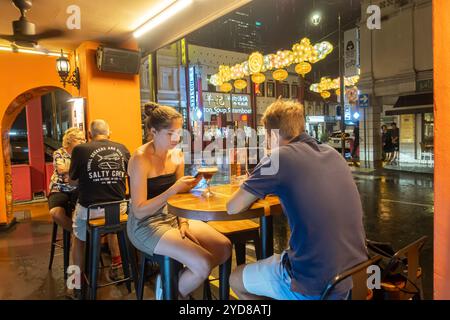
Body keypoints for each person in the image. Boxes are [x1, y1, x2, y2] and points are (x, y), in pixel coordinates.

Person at [226, 99, 368, 300]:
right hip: (356, 275)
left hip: (315, 283)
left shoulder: (278, 158)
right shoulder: (332, 154)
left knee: (236, 279)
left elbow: (233, 207)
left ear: (271, 134)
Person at [127, 103, 231, 300]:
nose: (176, 138)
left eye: (178, 133)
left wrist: (184, 216)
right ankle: (169, 294)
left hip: (173, 216)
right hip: (145, 224)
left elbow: (180, 197)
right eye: (170, 133)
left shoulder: (177, 155)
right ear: (153, 131)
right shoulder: (140, 159)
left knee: (223, 248)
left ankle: (168, 286)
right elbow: (139, 211)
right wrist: (172, 190)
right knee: (203, 264)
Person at [69, 119, 130, 297]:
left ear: (89, 135)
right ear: (109, 133)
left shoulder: (80, 150)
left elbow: (73, 183)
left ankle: (76, 282)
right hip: (119, 208)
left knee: (78, 238)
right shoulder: (123, 148)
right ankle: (117, 266)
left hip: (90, 210)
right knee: (113, 228)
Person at [48, 128, 85, 232]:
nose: (83, 141)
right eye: (79, 139)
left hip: (77, 189)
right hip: (59, 189)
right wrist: (78, 168)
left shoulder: (83, 153)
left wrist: (69, 170)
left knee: (85, 210)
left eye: (84, 139)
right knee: (55, 212)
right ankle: (77, 233)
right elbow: (61, 169)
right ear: (69, 140)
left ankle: (83, 238)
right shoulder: (59, 153)